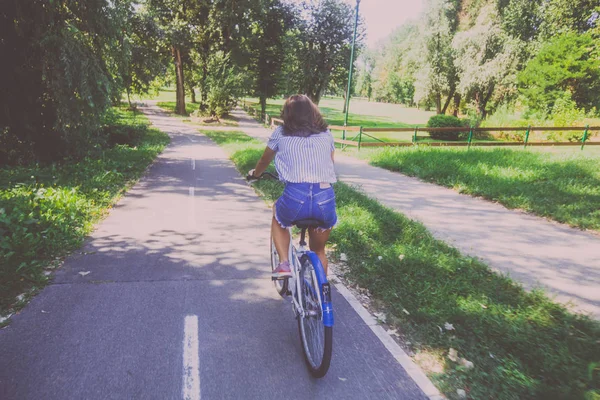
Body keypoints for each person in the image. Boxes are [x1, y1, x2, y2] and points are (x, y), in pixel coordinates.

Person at [248, 94, 337, 278]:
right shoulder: (326, 133)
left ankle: (284, 264)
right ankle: (321, 299)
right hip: (325, 197)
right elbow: (330, 163)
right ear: (313, 111)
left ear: (287, 114)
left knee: (277, 214)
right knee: (319, 251)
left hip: (296, 197)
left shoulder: (280, 133)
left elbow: (265, 159)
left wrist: (255, 174)